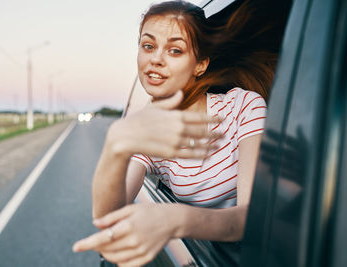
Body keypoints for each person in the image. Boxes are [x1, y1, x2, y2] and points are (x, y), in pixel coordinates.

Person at [73, 0, 291, 266]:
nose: (155, 59)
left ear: (200, 64)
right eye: (148, 46)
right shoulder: (145, 130)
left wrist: (175, 219)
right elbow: (108, 218)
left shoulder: (242, 106)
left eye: (175, 50)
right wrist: (115, 145)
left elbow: (250, 218)